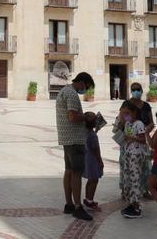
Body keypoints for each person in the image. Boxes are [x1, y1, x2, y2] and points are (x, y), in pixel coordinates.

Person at [55, 72, 94, 221]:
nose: (84, 90)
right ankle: (78, 207)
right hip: (75, 140)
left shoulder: (64, 91)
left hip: (67, 139)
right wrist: (87, 117)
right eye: (86, 86)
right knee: (76, 173)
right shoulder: (71, 94)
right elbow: (72, 117)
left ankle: (69, 203)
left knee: (69, 171)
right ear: (82, 82)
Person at [117, 100, 150, 219]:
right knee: (128, 180)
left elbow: (143, 140)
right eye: (123, 114)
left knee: (135, 179)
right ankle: (131, 203)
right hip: (128, 154)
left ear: (134, 112)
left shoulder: (139, 124)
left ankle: (136, 206)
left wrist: (131, 137)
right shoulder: (127, 124)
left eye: (127, 113)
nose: (125, 116)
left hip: (136, 155)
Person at [82, 112, 105, 212]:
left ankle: (87, 199)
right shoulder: (93, 136)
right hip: (93, 160)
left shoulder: (85, 132)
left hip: (86, 159)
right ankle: (90, 201)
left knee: (90, 180)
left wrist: (96, 130)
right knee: (94, 180)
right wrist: (100, 161)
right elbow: (96, 149)